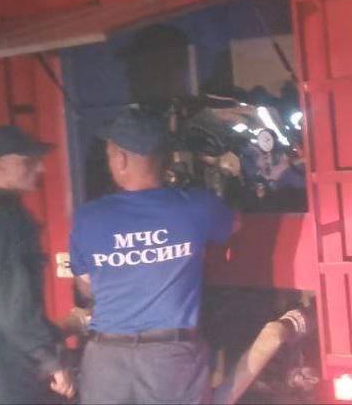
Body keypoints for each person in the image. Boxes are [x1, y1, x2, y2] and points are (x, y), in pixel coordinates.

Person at [69, 108, 236, 404]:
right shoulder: (198, 207)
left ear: (121, 159)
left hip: (106, 361)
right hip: (171, 361)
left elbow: (87, 287)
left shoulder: (88, 217)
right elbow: (235, 224)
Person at [0, 125, 75, 404]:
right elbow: (8, 311)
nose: (40, 168)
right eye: (28, 161)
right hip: (9, 374)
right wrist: (51, 360)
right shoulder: (10, 219)